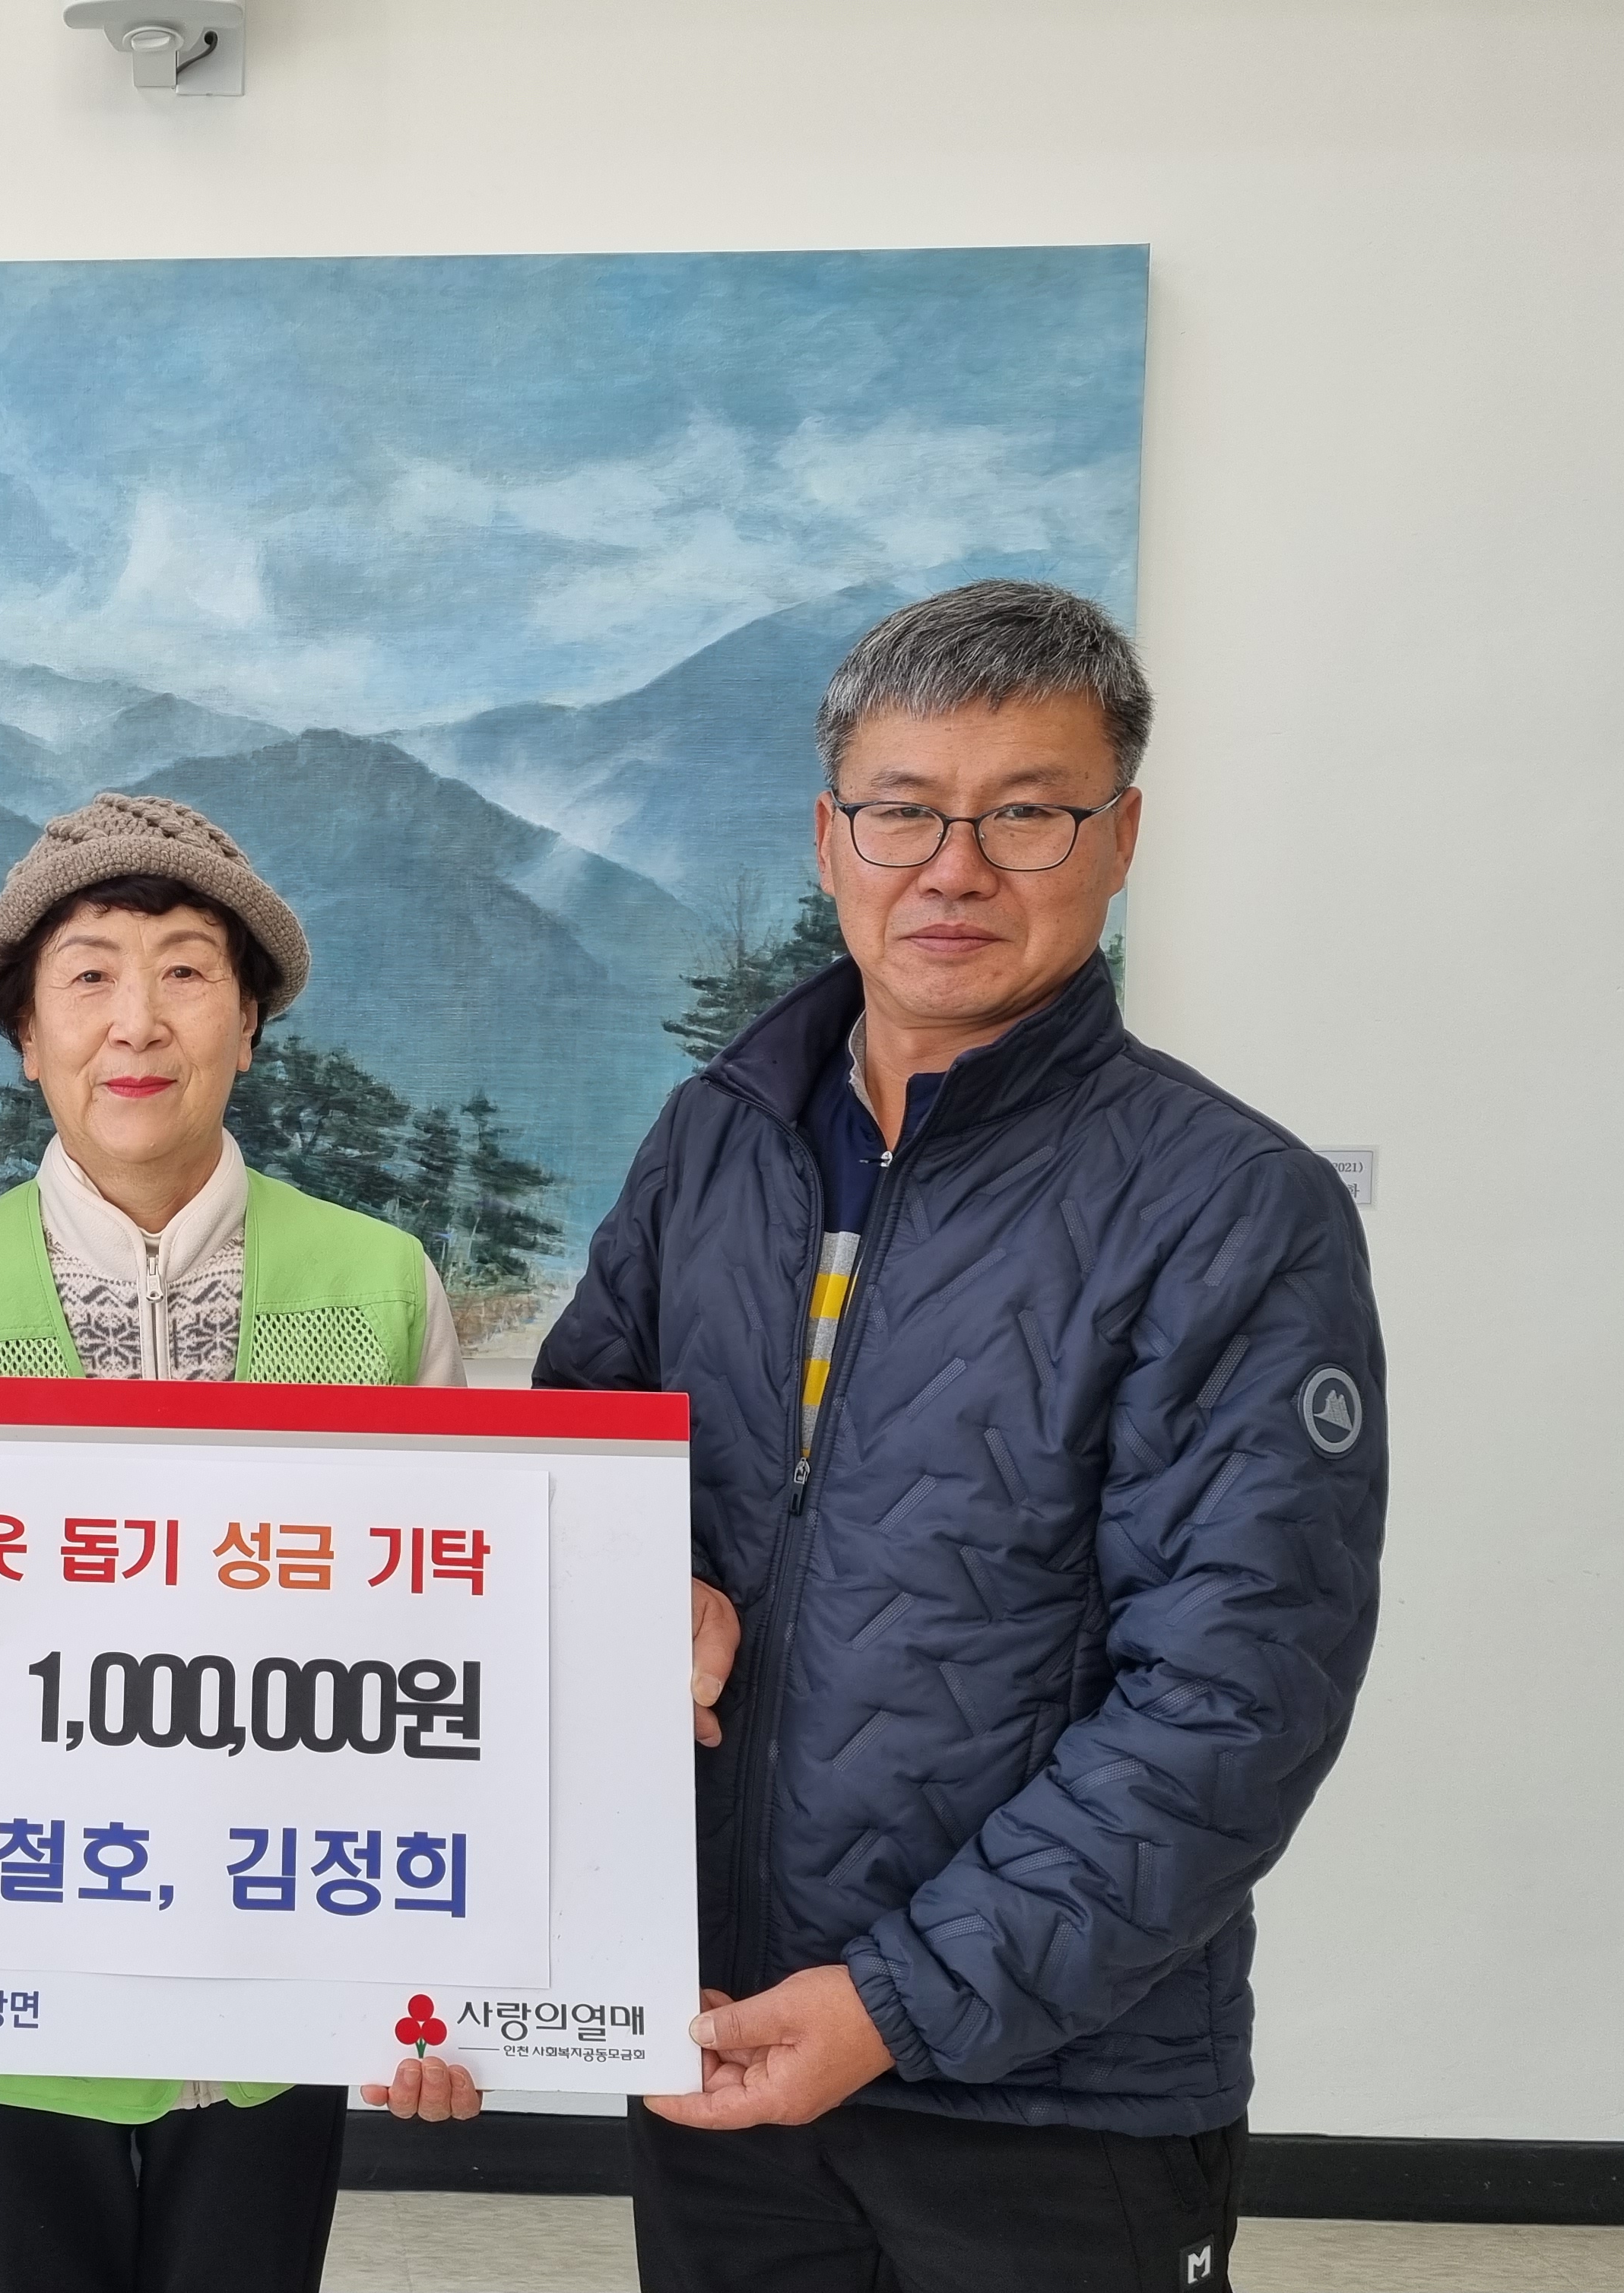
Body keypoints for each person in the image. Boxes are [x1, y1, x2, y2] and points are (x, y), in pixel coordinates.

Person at [538, 582, 1386, 2293]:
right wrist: (634, 1586)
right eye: (905, 811)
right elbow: (577, 1469)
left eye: (1028, 815)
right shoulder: (715, 1140)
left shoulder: (1232, 1206)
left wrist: (894, 2003)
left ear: (1120, 837)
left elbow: (1234, 1701)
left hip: (1053, 2095)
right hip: (715, 2033)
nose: (955, 868)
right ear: (829, 837)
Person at [0, 793, 484, 2293]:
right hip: (6, 1984)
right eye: (89, 975)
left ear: (249, 1024)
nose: (137, 1020)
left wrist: (446, 1977)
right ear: (26, 1034)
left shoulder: (380, 1285)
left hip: (287, 1970)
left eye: (187, 970)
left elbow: (455, 1654)